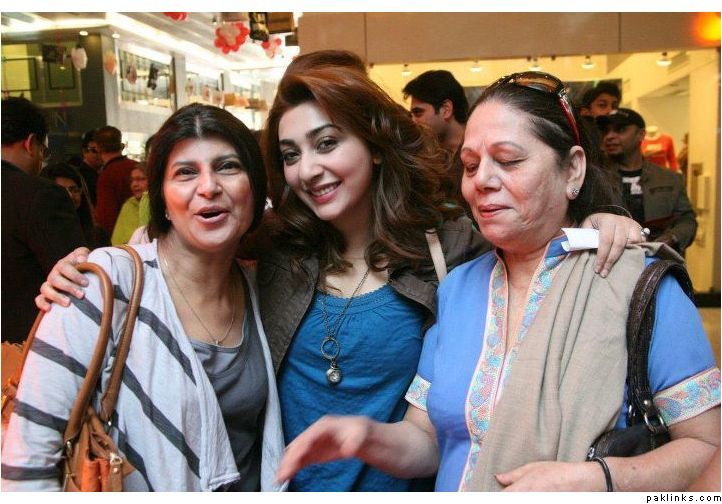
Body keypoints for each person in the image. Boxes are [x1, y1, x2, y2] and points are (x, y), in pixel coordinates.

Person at [34, 57, 644, 492]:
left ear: (374, 143)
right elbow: (188, 242)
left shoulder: (448, 247)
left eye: (327, 143)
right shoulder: (277, 249)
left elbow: (527, 224)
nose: (309, 170)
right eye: (291, 154)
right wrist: (96, 267)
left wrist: (597, 217)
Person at [275, 71, 720, 492]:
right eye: (470, 166)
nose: (482, 181)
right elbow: (428, 441)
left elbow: (709, 448)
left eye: (508, 160)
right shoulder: (459, 288)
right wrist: (364, 436)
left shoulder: (638, 285)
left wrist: (600, 481)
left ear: (572, 170)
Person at [1, 103, 285, 491]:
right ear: (162, 200)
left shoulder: (261, 288)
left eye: (228, 167)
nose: (208, 187)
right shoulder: (105, 284)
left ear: (255, 188)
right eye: (185, 172)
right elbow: (25, 467)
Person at [1, 97, 86, 344]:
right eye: (43, 151)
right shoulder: (41, 195)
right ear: (30, 144)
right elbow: (78, 279)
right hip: (27, 348)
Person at [599, 108, 697, 254]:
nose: (609, 136)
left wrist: (672, 237)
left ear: (640, 134)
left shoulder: (670, 179)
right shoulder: (595, 179)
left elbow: (687, 219)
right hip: (611, 261)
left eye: (620, 129)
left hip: (660, 261)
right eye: (606, 131)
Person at [403, 70, 471, 215]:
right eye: (411, 115)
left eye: (418, 113)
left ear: (446, 109)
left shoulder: (481, 148)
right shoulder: (425, 155)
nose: (413, 121)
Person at [40, 162, 107, 249]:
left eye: (74, 190)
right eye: (61, 191)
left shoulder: (97, 235)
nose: (70, 195)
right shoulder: (39, 236)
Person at [94, 126, 140, 235]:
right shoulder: (137, 167)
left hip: (121, 237)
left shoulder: (107, 175)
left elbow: (106, 218)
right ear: (120, 144)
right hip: (145, 233)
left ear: (98, 148)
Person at [111, 164, 149, 245]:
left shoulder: (161, 205)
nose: (134, 184)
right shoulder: (128, 206)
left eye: (141, 179)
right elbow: (117, 241)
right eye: (132, 180)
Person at [68, 129, 102, 205]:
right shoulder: (78, 175)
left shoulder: (104, 173)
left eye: (103, 150)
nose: (100, 154)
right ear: (84, 151)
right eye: (95, 150)